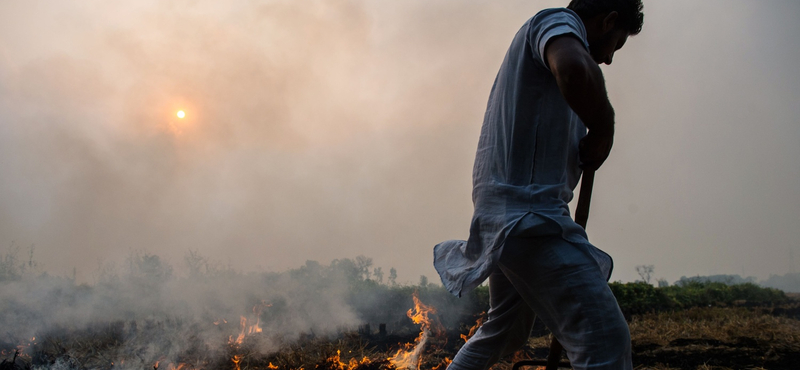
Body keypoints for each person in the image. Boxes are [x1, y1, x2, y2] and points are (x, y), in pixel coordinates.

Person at [433, 1, 644, 369]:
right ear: (608, 20)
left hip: (511, 215)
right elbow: (575, 69)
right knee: (604, 338)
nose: (608, 59)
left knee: (503, 331)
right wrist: (604, 126)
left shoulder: (549, 54)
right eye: (616, 44)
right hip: (529, 219)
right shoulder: (557, 22)